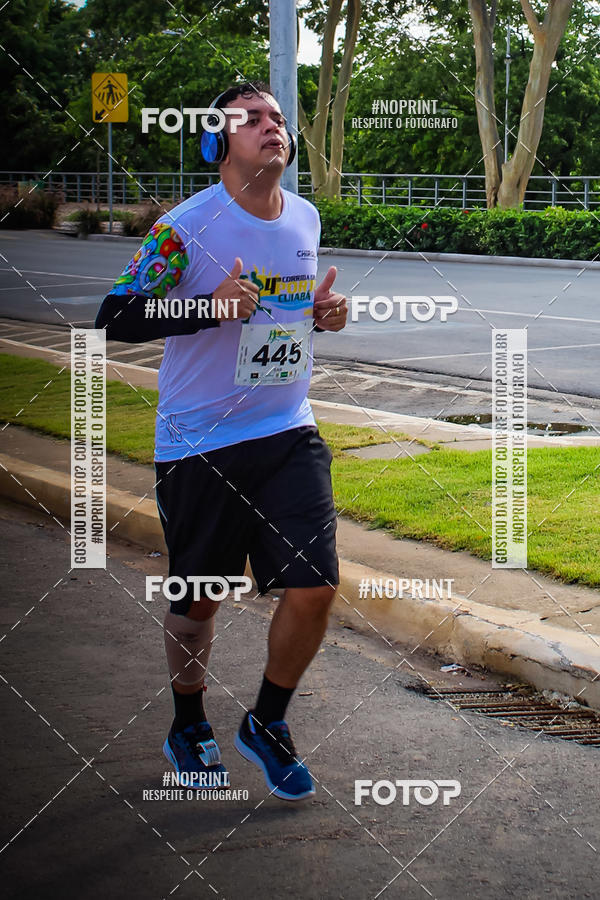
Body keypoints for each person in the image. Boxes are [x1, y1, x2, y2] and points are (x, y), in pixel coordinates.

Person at [95, 81, 348, 801]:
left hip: (286, 429)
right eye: (253, 119)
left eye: (277, 116)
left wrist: (324, 313)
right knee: (200, 597)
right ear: (218, 143)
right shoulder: (184, 228)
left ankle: (267, 723)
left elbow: (289, 313)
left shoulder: (303, 216)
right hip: (199, 440)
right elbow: (116, 315)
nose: (273, 126)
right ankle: (187, 724)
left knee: (314, 587)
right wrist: (203, 307)